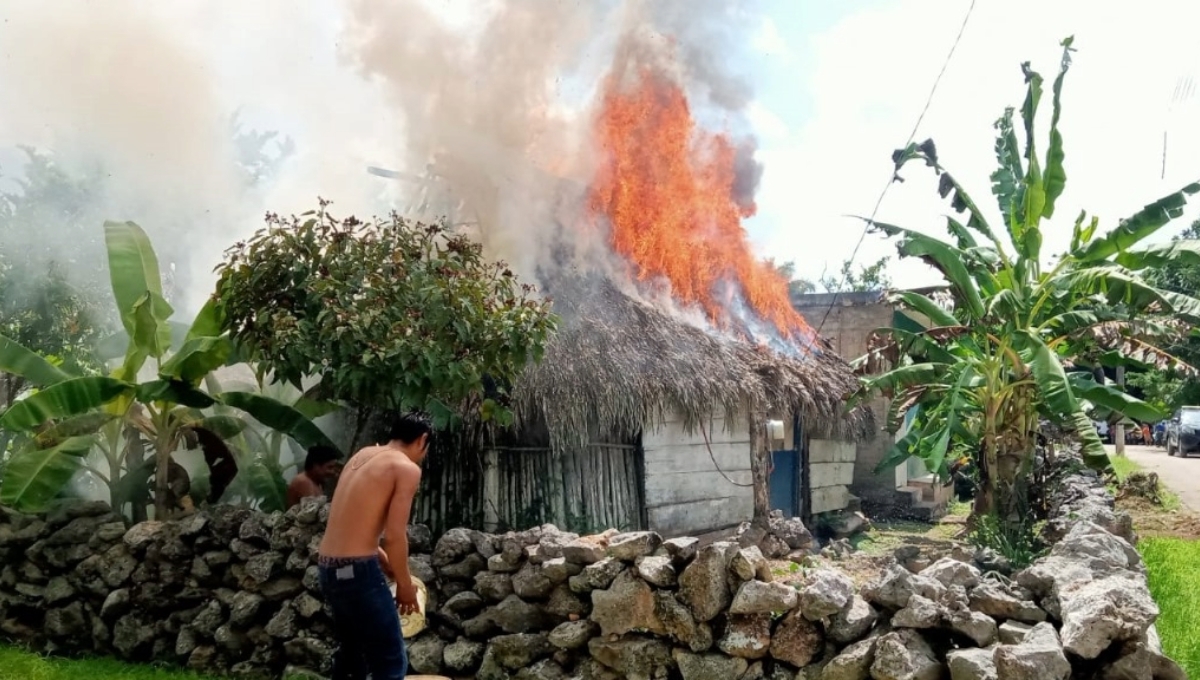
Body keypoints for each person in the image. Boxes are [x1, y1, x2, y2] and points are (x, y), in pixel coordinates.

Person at [317, 411, 431, 679]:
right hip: (358, 573)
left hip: (329, 569)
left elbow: (352, 525)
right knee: (390, 660)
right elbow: (394, 535)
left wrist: (385, 563)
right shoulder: (406, 468)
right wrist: (405, 586)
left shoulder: (361, 456)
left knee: (352, 655)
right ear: (422, 439)